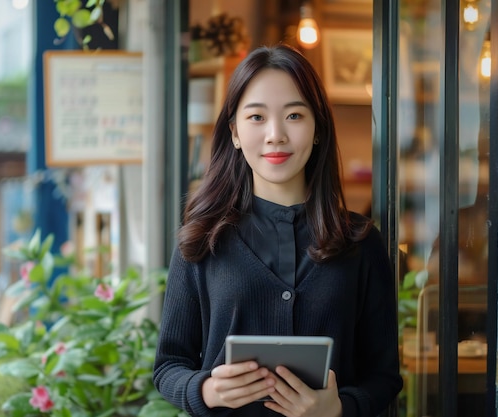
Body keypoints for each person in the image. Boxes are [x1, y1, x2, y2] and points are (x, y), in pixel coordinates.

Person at [153, 44, 402, 417]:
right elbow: (168, 365)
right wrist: (206, 390)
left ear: (317, 129)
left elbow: (384, 377)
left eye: (294, 116)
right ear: (234, 132)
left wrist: (339, 409)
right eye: (256, 117)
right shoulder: (202, 239)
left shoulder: (361, 242)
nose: (275, 135)